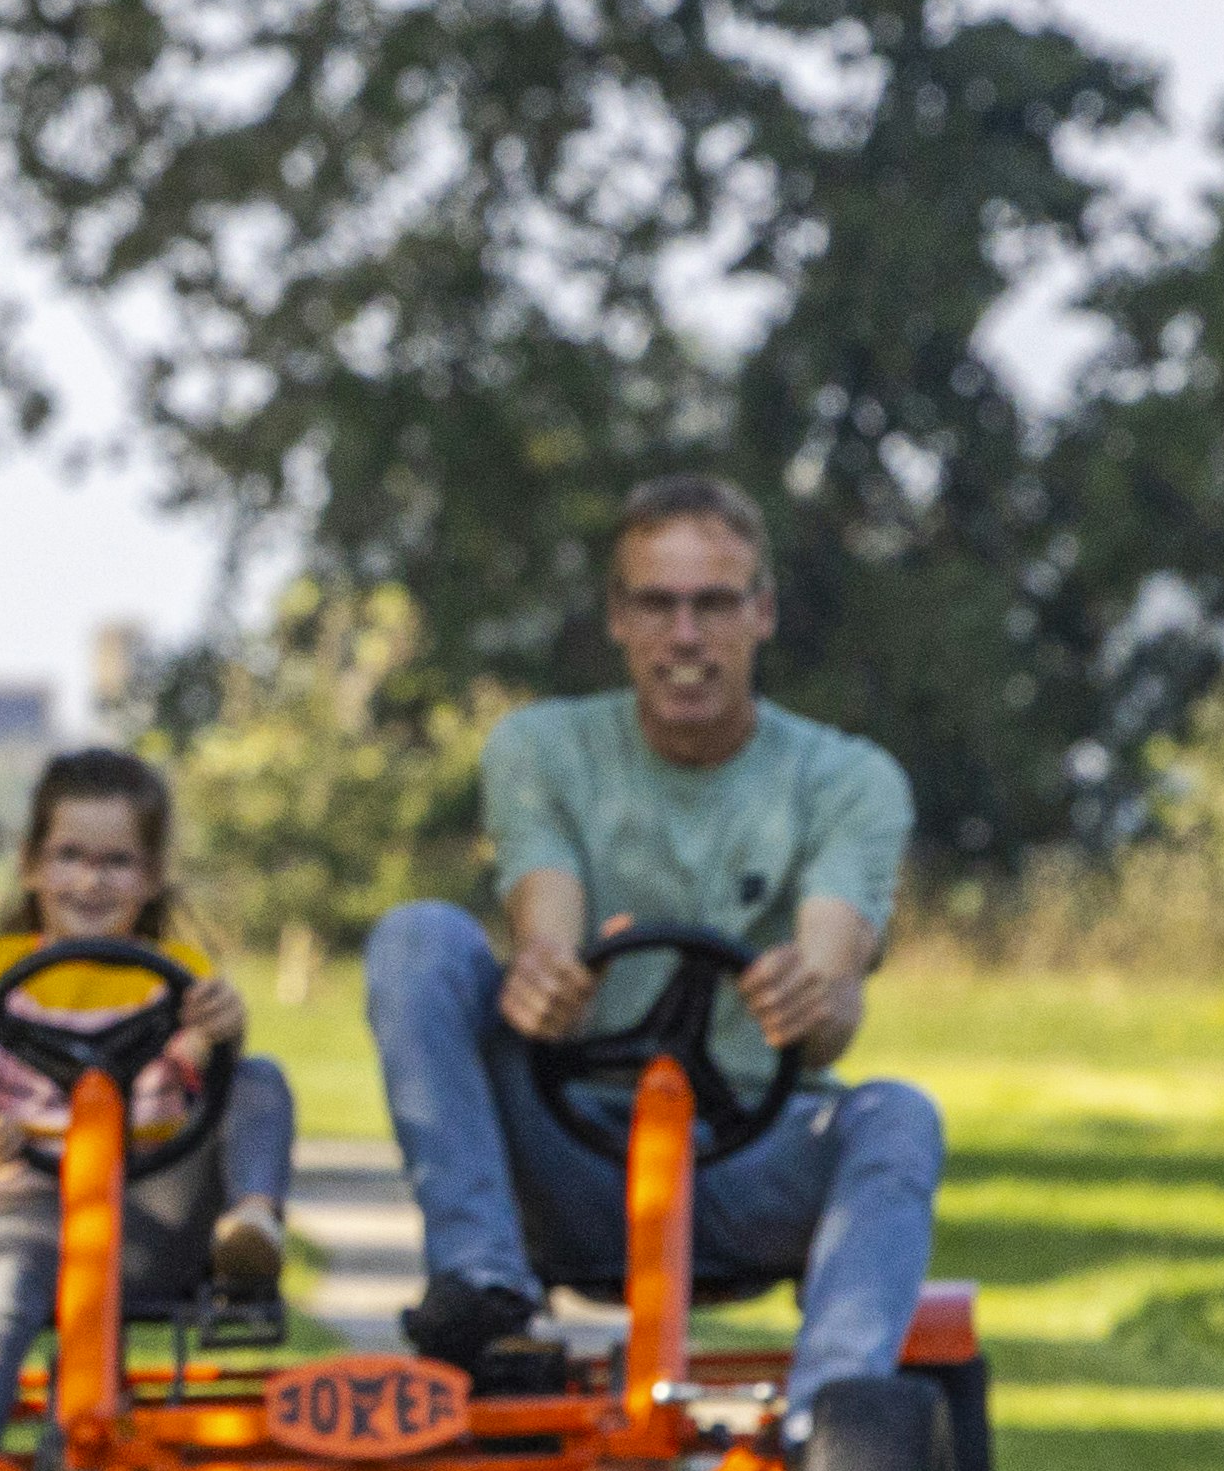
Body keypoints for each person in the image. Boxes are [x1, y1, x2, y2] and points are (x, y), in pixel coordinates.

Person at [366, 470, 944, 1405]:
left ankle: (830, 1421)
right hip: (571, 1150)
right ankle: (482, 1288)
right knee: (417, 936)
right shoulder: (540, 749)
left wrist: (808, 996)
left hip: (746, 1162)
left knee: (900, 1116)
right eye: (656, 604)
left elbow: (831, 996)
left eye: (713, 604)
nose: (684, 635)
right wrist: (546, 977)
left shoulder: (848, 780)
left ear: (760, 613)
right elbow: (547, 916)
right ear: (617, 618)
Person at [0, 747, 290, 1444]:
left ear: (151, 877)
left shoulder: (177, 976)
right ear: (30, 865)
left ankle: (251, 1225)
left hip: (146, 1212)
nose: (90, 880)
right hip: (17, 1204)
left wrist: (216, 1034)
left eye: (116, 862)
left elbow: (196, 1073)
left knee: (257, 1076)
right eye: (69, 856)